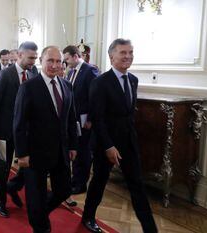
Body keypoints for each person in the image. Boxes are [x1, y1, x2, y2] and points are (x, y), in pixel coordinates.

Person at [82, 38, 157, 233]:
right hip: (105, 144)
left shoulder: (133, 80)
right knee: (99, 181)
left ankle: (150, 228)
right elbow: (97, 118)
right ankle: (88, 217)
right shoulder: (100, 82)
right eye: (123, 53)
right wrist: (108, 146)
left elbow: (129, 113)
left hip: (128, 143)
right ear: (111, 56)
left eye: (130, 52)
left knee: (137, 185)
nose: (128, 56)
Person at [14, 46, 78, 233]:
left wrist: (73, 145)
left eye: (58, 61)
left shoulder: (67, 86)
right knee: (36, 197)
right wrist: (22, 154)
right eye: (50, 60)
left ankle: (39, 215)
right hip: (35, 153)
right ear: (41, 61)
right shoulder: (28, 87)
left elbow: (70, 119)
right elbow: (19, 123)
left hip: (60, 151)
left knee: (64, 191)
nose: (55, 65)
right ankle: (41, 227)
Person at [0, 41, 38, 217]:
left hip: (25, 132)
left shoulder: (32, 75)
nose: (33, 61)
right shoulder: (4, 75)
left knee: (27, 165)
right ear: (20, 55)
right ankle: (0, 200)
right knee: (3, 168)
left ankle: (13, 187)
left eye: (35, 58)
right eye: (31, 57)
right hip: (4, 130)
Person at [63, 45, 99, 197]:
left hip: (85, 120)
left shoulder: (90, 71)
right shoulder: (71, 71)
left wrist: (91, 118)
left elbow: (95, 97)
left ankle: (81, 184)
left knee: (83, 152)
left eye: (67, 59)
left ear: (75, 56)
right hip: (74, 119)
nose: (65, 63)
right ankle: (74, 179)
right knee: (75, 149)